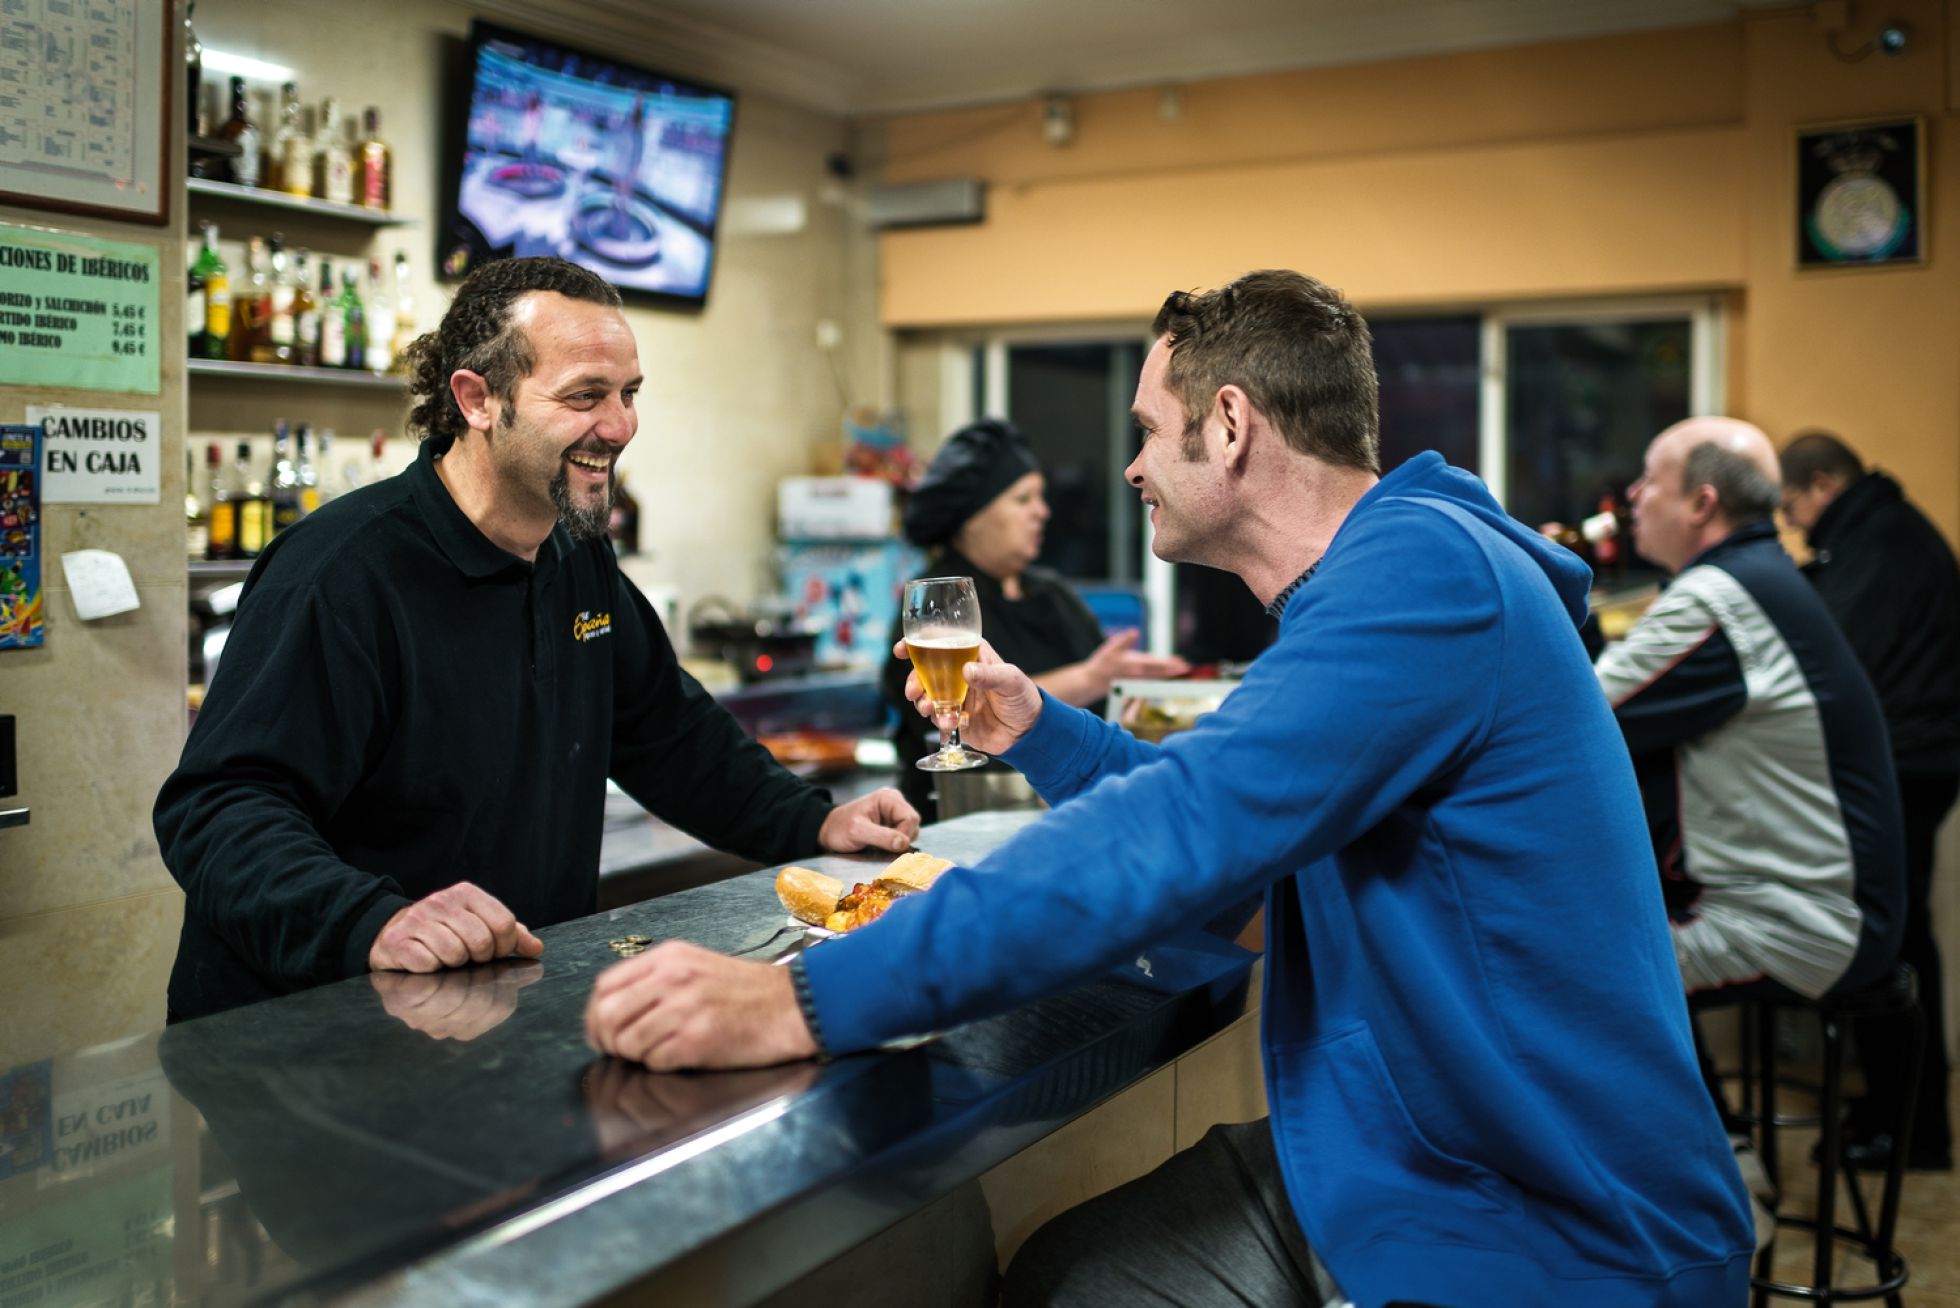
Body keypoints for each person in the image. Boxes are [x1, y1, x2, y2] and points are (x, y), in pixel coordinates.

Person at [586, 270, 1753, 1307]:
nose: (1133, 466)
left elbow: (1177, 833)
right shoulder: (1411, 564)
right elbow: (1227, 833)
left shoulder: (1423, 575)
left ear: (1230, 424)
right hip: (1423, 1152)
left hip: (1549, 1225)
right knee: (1072, 1272)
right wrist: (1042, 731)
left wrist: (802, 1002)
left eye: (1148, 430)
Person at [155, 256, 918, 1022]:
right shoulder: (342, 574)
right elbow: (219, 809)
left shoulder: (575, 554)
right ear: (477, 399)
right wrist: (372, 919)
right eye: (585, 396)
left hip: (495, 1012)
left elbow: (669, 733)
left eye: (628, 394)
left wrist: (812, 820)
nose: (619, 426)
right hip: (311, 1036)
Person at [1595, 418, 1904, 1006]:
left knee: (1564, 974)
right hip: (1828, 908)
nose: (1632, 494)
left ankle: (1683, 1078)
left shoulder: (1716, 598)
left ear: (1701, 504)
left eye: (1649, 479)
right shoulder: (1761, 573)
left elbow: (1576, 717)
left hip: (1799, 926)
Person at [1780, 430, 1958, 1170]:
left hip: (1904, 766)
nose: (1792, 524)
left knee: (1892, 942)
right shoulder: (1881, 532)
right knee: (1896, 934)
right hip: (1916, 760)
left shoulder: (1878, 542)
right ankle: (1897, 1112)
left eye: (1793, 506)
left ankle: (1911, 1129)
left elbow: (1834, 659)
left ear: (1823, 483)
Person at [881, 417, 1188, 818]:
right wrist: (1090, 678)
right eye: (1023, 499)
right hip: (965, 814)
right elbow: (952, 710)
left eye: (1041, 498)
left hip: (1073, 808)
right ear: (972, 517)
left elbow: (1104, 696)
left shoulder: (1053, 593)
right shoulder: (936, 604)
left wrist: (1127, 693)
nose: (1042, 512)